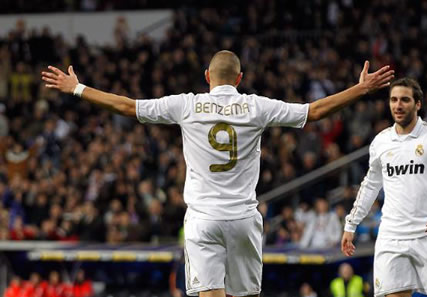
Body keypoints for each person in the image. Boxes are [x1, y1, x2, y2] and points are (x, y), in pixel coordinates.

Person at [42, 50, 393, 297]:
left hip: (202, 220)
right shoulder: (256, 106)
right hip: (243, 219)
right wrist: (361, 89)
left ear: (207, 77)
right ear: (240, 79)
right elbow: (313, 112)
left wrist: (77, 88)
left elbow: (126, 106)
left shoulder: (186, 104)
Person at [341, 78, 427, 297]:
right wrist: (351, 223)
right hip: (391, 235)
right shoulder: (381, 142)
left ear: (418, 104)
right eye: (394, 100)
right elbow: (370, 185)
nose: (398, 105)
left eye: (405, 100)